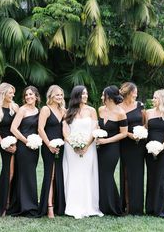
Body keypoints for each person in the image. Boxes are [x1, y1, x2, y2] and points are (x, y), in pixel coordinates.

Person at [63, 85, 103, 219]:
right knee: (74, 175)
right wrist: (73, 144)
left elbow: (95, 129)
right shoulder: (68, 111)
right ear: (76, 96)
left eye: (86, 94)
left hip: (89, 148)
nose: (85, 96)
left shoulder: (92, 110)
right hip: (71, 149)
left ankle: (89, 206)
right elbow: (65, 131)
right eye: (82, 94)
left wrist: (86, 145)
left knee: (87, 175)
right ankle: (73, 206)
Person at [10, 86, 40, 217]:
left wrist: (34, 142)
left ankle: (32, 203)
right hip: (23, 147)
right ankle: (25, 206)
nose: (28, 97)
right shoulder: (22, 110)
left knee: (31, 175)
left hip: (34, 147)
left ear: (36, 96)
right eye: (26, 95)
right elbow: (14, 129)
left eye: (31, 94)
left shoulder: (38, 110)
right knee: (24, 175)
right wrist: (26, 141)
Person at [97, 86, 128, 216]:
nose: (101, 97)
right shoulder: (100, 109)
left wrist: (107, 141)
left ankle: (112, 207)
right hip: (98, 148)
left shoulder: (120, 113)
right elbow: (99, 125)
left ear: (109, 97)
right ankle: (100, 205)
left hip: (112, 149)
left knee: (107, 175)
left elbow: (124, 133)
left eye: (103, 95)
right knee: (98, 175)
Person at [145, 89, 164, 218]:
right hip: (149, 151)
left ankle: (160, 210)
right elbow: (146, 129)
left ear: (162, 99)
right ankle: (150, 209)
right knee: (151, 178)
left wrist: (161, 147)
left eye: (155, 98)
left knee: (161, 179)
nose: (153, 100)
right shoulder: (148, 112)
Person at [0, 83, 18, 216]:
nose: (12, 95)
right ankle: (3, 204)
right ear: (3, 94)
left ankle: (13, 202)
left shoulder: (15, 107)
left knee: (16, 172)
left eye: (13, 92)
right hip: (5, 142)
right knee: (9, 172)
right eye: (10, 93)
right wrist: (3, 143)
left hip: (17, 142)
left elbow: (19, 125)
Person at [38, 85, 66, 218]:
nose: (60, 97)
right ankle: (49, 206)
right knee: (51, 174)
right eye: (57, 95)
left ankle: (58, 204)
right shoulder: (45, 109)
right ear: (50, 96)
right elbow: (40, 129)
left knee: (59, 174)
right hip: (48, 146)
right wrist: (49, 144)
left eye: (61, 95)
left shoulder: (64, 110)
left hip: (61, 147)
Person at [119, 82, 146, 215]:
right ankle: (126, 206)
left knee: (138, 174)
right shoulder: (119, 108)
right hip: (125, 143)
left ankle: (137, 208)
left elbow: (145, 122)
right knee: (126, 174)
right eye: (135, 92)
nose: (136, 94)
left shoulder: (140, 105)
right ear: (129, 93)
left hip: (139, 145)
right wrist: (131, 135)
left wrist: (142, 133)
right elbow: (119, 128)